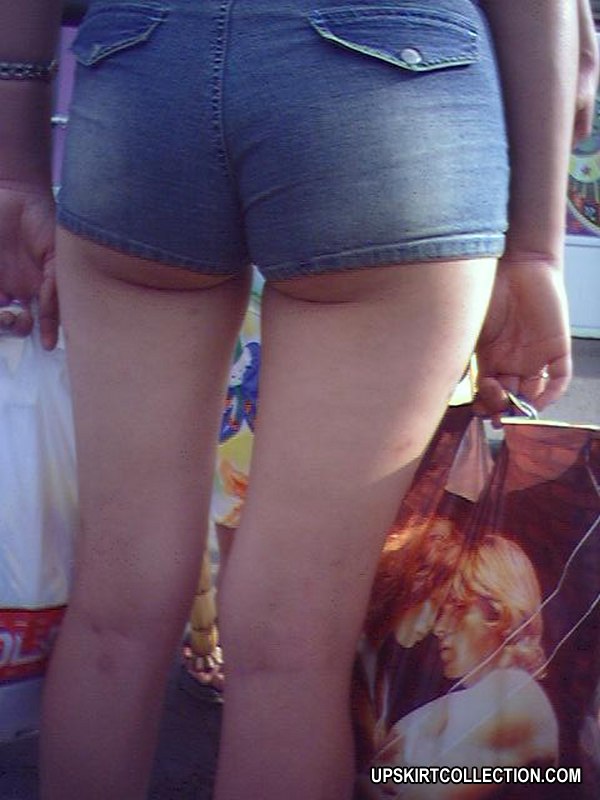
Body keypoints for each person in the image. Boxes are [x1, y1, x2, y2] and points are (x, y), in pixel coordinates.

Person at [0, 3, 594, 800]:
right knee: (294, 637)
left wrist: (13, 170)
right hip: (389, 79)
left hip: (148, 65)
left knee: (117, 608)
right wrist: (535, 252)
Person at [362, 535, 558, 799]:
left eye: (456, 607)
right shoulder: (493, 695)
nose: (440, 628)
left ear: (498, 612)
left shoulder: (516, 694)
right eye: (441, 611)